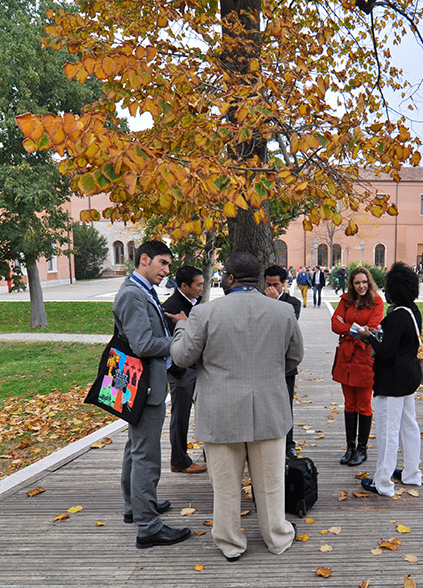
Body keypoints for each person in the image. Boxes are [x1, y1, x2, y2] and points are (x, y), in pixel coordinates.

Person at [171, 252, 303, 561]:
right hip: (269, 409)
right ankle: (276, 537)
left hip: (221, 412)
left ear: (229, 279)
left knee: (226, 486)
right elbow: (294, 358)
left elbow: (181, 357)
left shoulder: (204, 314)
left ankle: (230, 542)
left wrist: (180, 327)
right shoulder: (283, 311)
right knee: (271, 484)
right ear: (255, 279)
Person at [115, 240, 191, 548]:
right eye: (162, 263)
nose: (166, 270)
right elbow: (143, 344)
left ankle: (137, 507)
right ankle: (148, 527)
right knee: (146, 455)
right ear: (144, 259)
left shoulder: (139, 290)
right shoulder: (133, 295)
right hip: (145, 386)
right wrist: (177, 337)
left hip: (141, 384)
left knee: (136, 447)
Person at [357, 262, 423, 497]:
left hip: (392, 378)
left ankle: (383, 482)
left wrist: (368, 337)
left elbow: (385, 351)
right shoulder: (413, 311)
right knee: (409, 425)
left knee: (388, 430)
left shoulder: (395, 317)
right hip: (409, 376)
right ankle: (412, 473)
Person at [331, 267, 384, 466]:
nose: (361, 286)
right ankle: (350, 447)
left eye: (364, 282)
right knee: (349, 404)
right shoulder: (345, 300)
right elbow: (334, 325)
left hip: (364, 358)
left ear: (368, 283)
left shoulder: (376, 301)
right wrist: (355, 329)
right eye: (357, 283)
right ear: (351, 284)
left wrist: (348, 327)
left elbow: (372, 329)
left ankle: (362, 449)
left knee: (363, 404)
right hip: (346, 357)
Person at [162, 265, 207, 475]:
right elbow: (174, 343)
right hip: (181, 371)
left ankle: (211, 454)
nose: (201, 288)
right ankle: (179, 460)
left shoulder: (193, 303)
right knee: (181, 417)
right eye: (198, 285)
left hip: (196, 369)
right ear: (183, 286)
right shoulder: (172, 307)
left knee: (206, 411)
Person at [265, 264, 302, 459]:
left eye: (276, 285)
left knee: (286, 406)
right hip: (264, 363)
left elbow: (288, 326)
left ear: (284, 283)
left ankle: (289, 443)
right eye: (269, 284)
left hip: (286, 364)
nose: (272, 289)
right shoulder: (260, 301)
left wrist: (273, 304)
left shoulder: (292, 303)